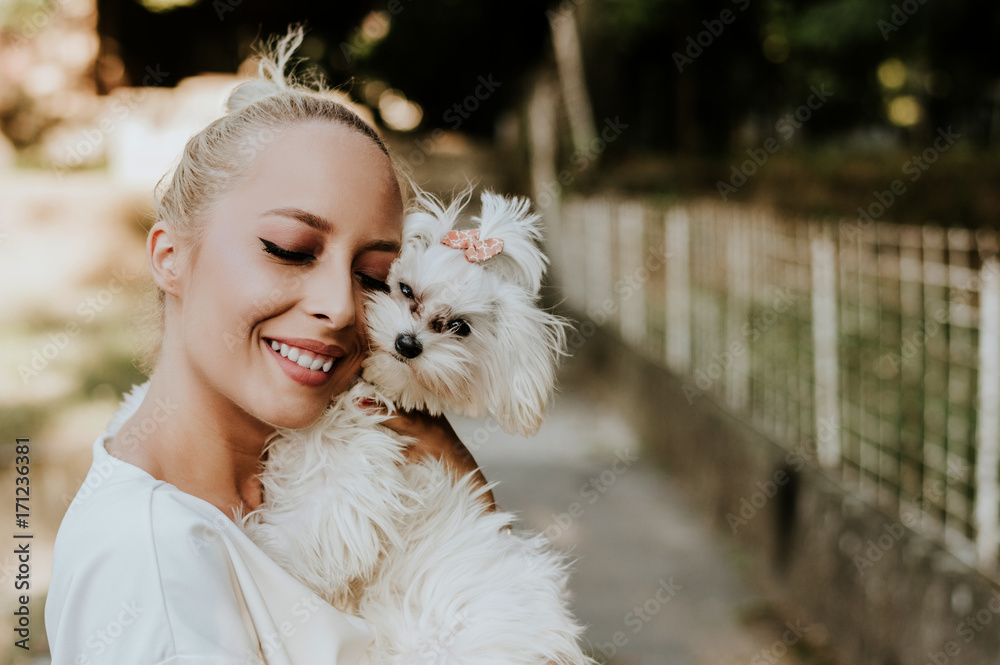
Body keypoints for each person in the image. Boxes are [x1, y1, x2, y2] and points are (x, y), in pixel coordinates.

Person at [44, 28, 491, 665]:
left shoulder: (354, 490)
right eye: (289, 250)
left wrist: (470, 508)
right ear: (171, 258)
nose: (340, 306)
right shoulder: (151, 565)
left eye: (373, 277)